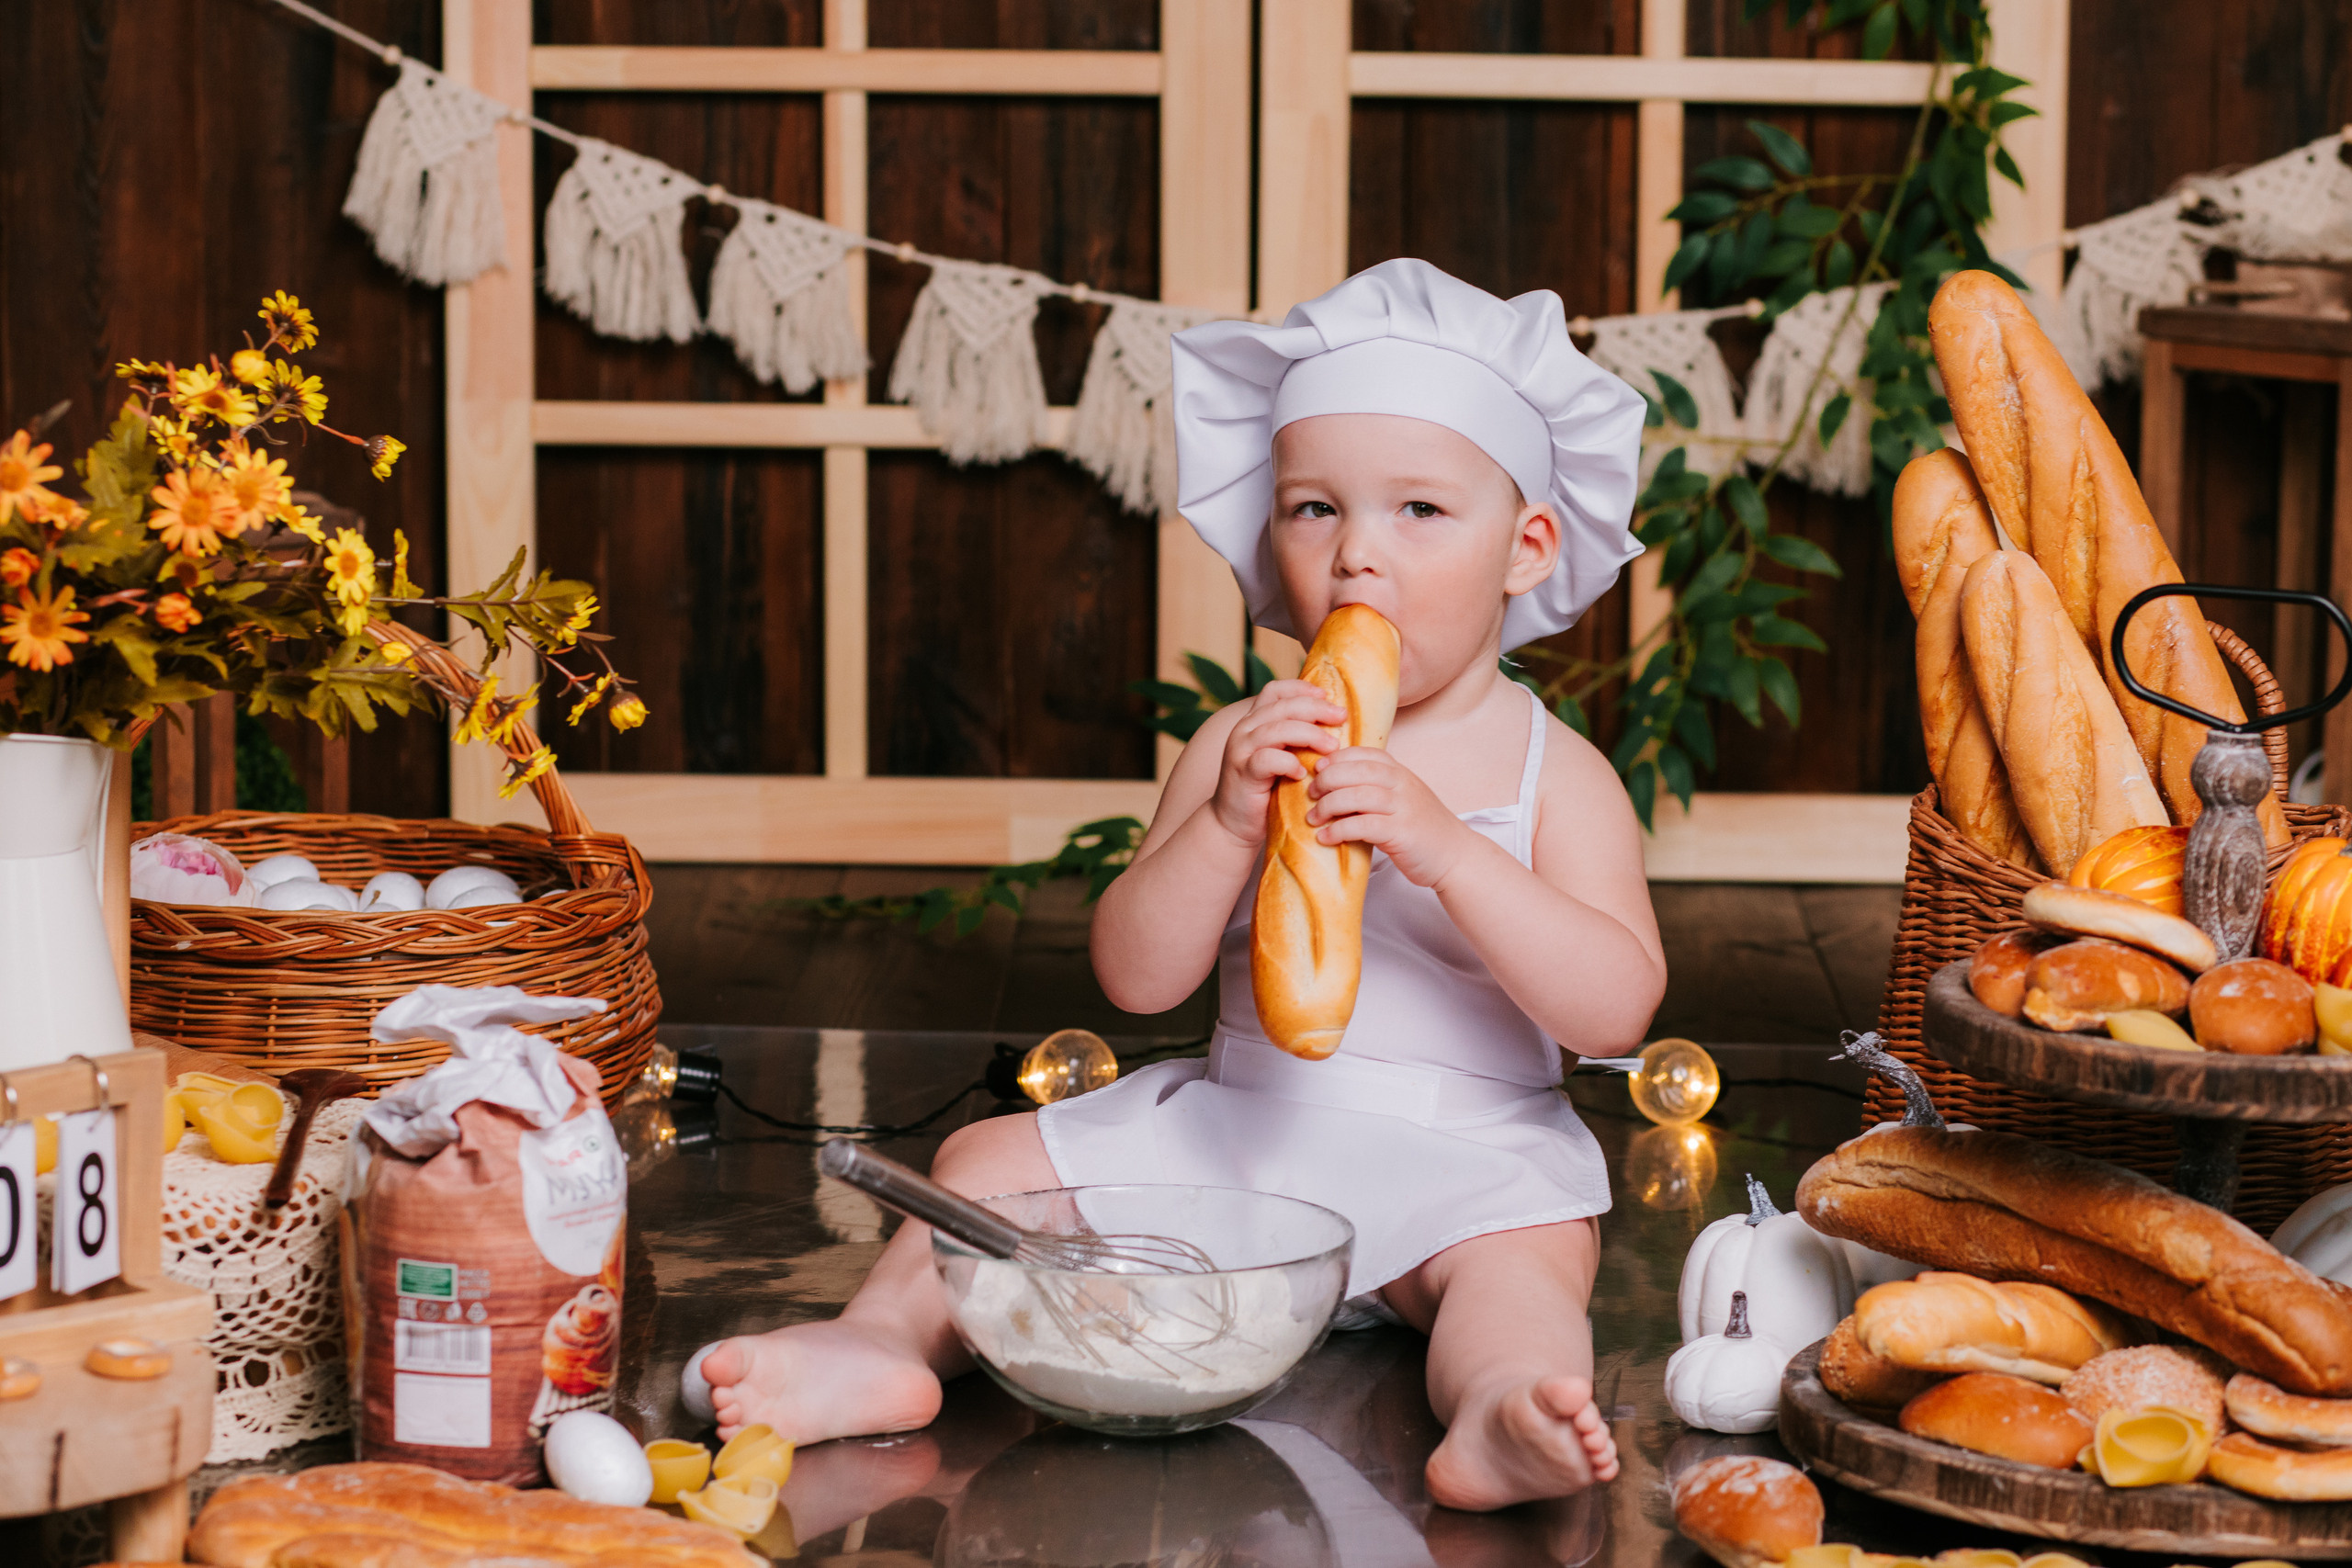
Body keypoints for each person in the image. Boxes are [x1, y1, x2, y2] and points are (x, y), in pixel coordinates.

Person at [703, 259, 1667, 1510]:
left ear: (1527, 545)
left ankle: (1497, 1409)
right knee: (990, 1159)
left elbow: (1615, 1009)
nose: (1357, 557)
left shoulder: (1558, 772)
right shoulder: (1242, 743)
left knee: (1529, 1268)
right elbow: (1137, 974)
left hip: (1468, 1164)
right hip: (1237, 1136)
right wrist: (1223, 823)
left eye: (1419, 512)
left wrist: (1450, 848)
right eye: (1315, 509)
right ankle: (885, 1347)